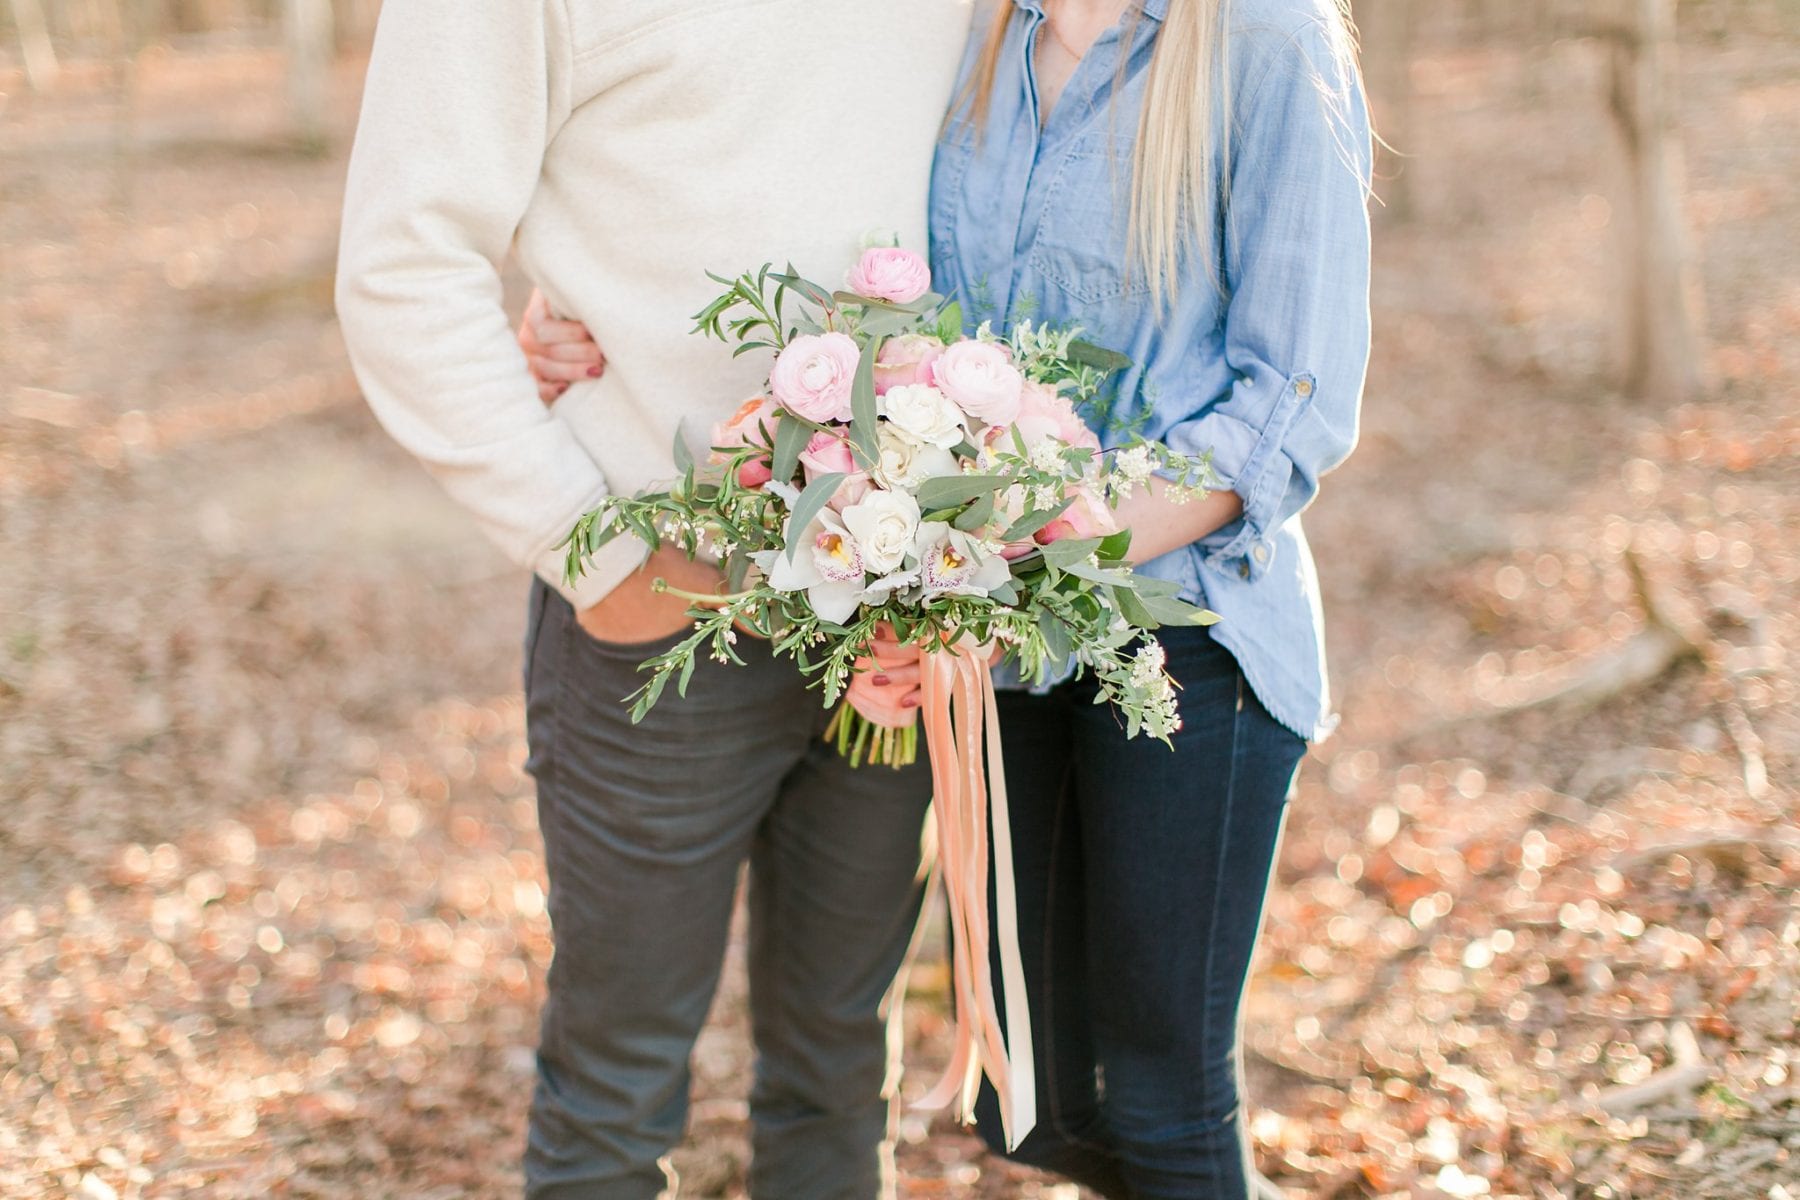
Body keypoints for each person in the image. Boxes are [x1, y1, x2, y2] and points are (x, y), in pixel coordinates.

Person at [527, 1, 1371, 1195]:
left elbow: (1291, 402)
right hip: (1005, 650)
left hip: (1188, 640)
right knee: (1025, 1106)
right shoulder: (966, 29)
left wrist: (1038, 532)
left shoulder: (1263, 42)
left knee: (1164, 1098)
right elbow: (783, 189)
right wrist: (578, 302)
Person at [332, 4, 974, 1198]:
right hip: (663, 617)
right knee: (615, 1102)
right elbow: (399, 261)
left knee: (842, 1071)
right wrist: (596, 555)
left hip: (895, 607)